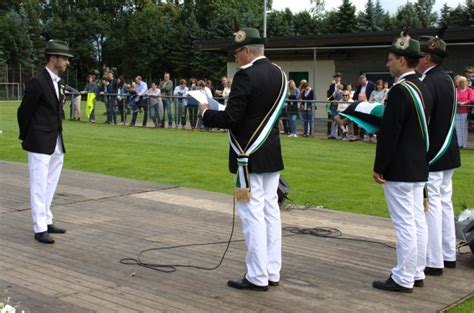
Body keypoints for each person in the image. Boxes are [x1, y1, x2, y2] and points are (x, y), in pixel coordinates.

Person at [199, 28, 287, 292]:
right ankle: (272, 270)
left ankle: (257, 275)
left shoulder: (245, 76)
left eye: (237, 52)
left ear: (248, 50)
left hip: (248, 155)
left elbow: (232, 118)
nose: (236, 57)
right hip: (270, 152)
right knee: (271, 212)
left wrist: (206, 113)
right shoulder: (279, 74)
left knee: (252, 215)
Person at [372, 32, 432, 293]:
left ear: (401, 60)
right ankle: (416, 271)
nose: (388, 64)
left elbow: (390, 133)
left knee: (405, 224)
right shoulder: (423, 86)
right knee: (417, 220)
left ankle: (403, 276)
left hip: (400, 168)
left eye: (391, 59)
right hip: (418, 164)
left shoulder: (400, 90)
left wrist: (380, 166)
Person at [17, 39, 73, 244]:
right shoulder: (38, 81)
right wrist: (28, 136)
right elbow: (24, 111)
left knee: (50, 182)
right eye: (64, 58)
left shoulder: (57, 82)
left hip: (55, 139)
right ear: (53, 58)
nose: (67, 62)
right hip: (39, 139)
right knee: (39, 184)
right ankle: (39, 228)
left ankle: (47, 218)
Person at [417, 33, 462, 276]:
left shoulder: (428, 83)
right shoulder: (447, 80)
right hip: (449, 150)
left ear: (426, 57)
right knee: (444, 202)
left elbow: (423, 119)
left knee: (432, 203)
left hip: (434, 151)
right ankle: (447, 253)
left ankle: (433, 259)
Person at [455, 76, 474, 149]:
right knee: (457, 128)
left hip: (465, 111)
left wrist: (464, 103)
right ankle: (459, 144)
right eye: (461, 83)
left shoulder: (470, 90)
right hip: (457, 110)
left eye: (464, 82)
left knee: (464, 128)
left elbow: (472, 99)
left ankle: (464, 144)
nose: (463, 84)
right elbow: (453, 97)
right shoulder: (456, 90)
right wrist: (458, 102)